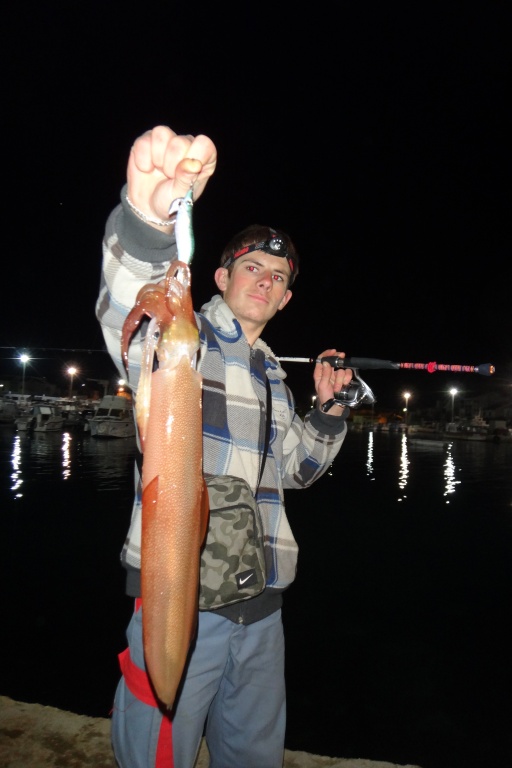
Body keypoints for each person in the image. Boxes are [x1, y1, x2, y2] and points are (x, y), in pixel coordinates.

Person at [96, 125, 354, 768]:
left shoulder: (271, 373)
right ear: (221, 274)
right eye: (252, 268)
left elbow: (297, 471)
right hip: (184, 599)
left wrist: (328, 410)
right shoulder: (183, 338)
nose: (264, 282)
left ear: (287, 298)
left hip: (263, 608)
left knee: (253, 758)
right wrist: (149, 223)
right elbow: (131, 310)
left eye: (277, 277)